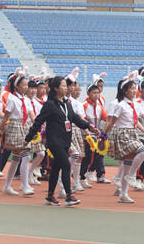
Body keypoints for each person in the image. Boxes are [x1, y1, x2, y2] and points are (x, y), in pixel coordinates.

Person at [24, 75, 93, 207]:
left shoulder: (67, 104)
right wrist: (28, 138)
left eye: (66, 86)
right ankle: (68, 196)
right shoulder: (49, 105)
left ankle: (50, 196)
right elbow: (38, 122)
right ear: (55, 88)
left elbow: (75, 119)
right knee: (66, 165)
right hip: (54, 141)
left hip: (65, 140)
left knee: (56, 168)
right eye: (63, 85)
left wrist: (89, 127)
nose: (66, 88)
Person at [103, 73, 144, 204]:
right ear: (125, 91)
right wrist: (103, 135)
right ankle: (131, 176)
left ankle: (123, 194)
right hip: (122, 134)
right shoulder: (120, 105)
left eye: (135, 88)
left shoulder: (135, 104)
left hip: (132, 133)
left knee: (128, 163)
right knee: (143, 151)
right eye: (132, 88)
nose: (135, 91)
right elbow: (111, 122)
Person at [0, 71, 34, 196]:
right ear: (17, 86)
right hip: (15, 126)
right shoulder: (12, 99)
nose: (26, 87)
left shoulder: (27, 100)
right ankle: (24, 185)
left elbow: (31, 115)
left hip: (25, 127)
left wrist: (37, 127)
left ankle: (7, 186)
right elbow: (6, 116)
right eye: (23, 85)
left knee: (16, 158)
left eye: (27, 85)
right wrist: (0, 131)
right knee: (25, 154)